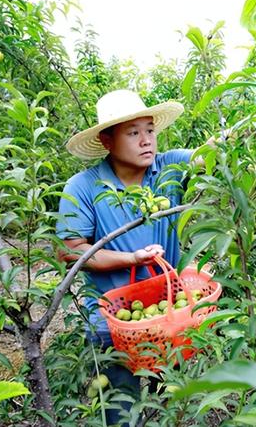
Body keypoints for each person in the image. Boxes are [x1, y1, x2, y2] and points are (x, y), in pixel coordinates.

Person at [56, 89, 193, 425]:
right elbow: (69, 251)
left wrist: (234, 138)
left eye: (150, 130)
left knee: (171, 403)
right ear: (107, 141)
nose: (147, 141)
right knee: (120, 410)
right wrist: (132, 258)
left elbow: (208, 155)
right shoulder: (83, 187)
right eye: (133, 133)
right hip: (113, 324)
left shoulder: (169, 168)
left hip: (169, 314)